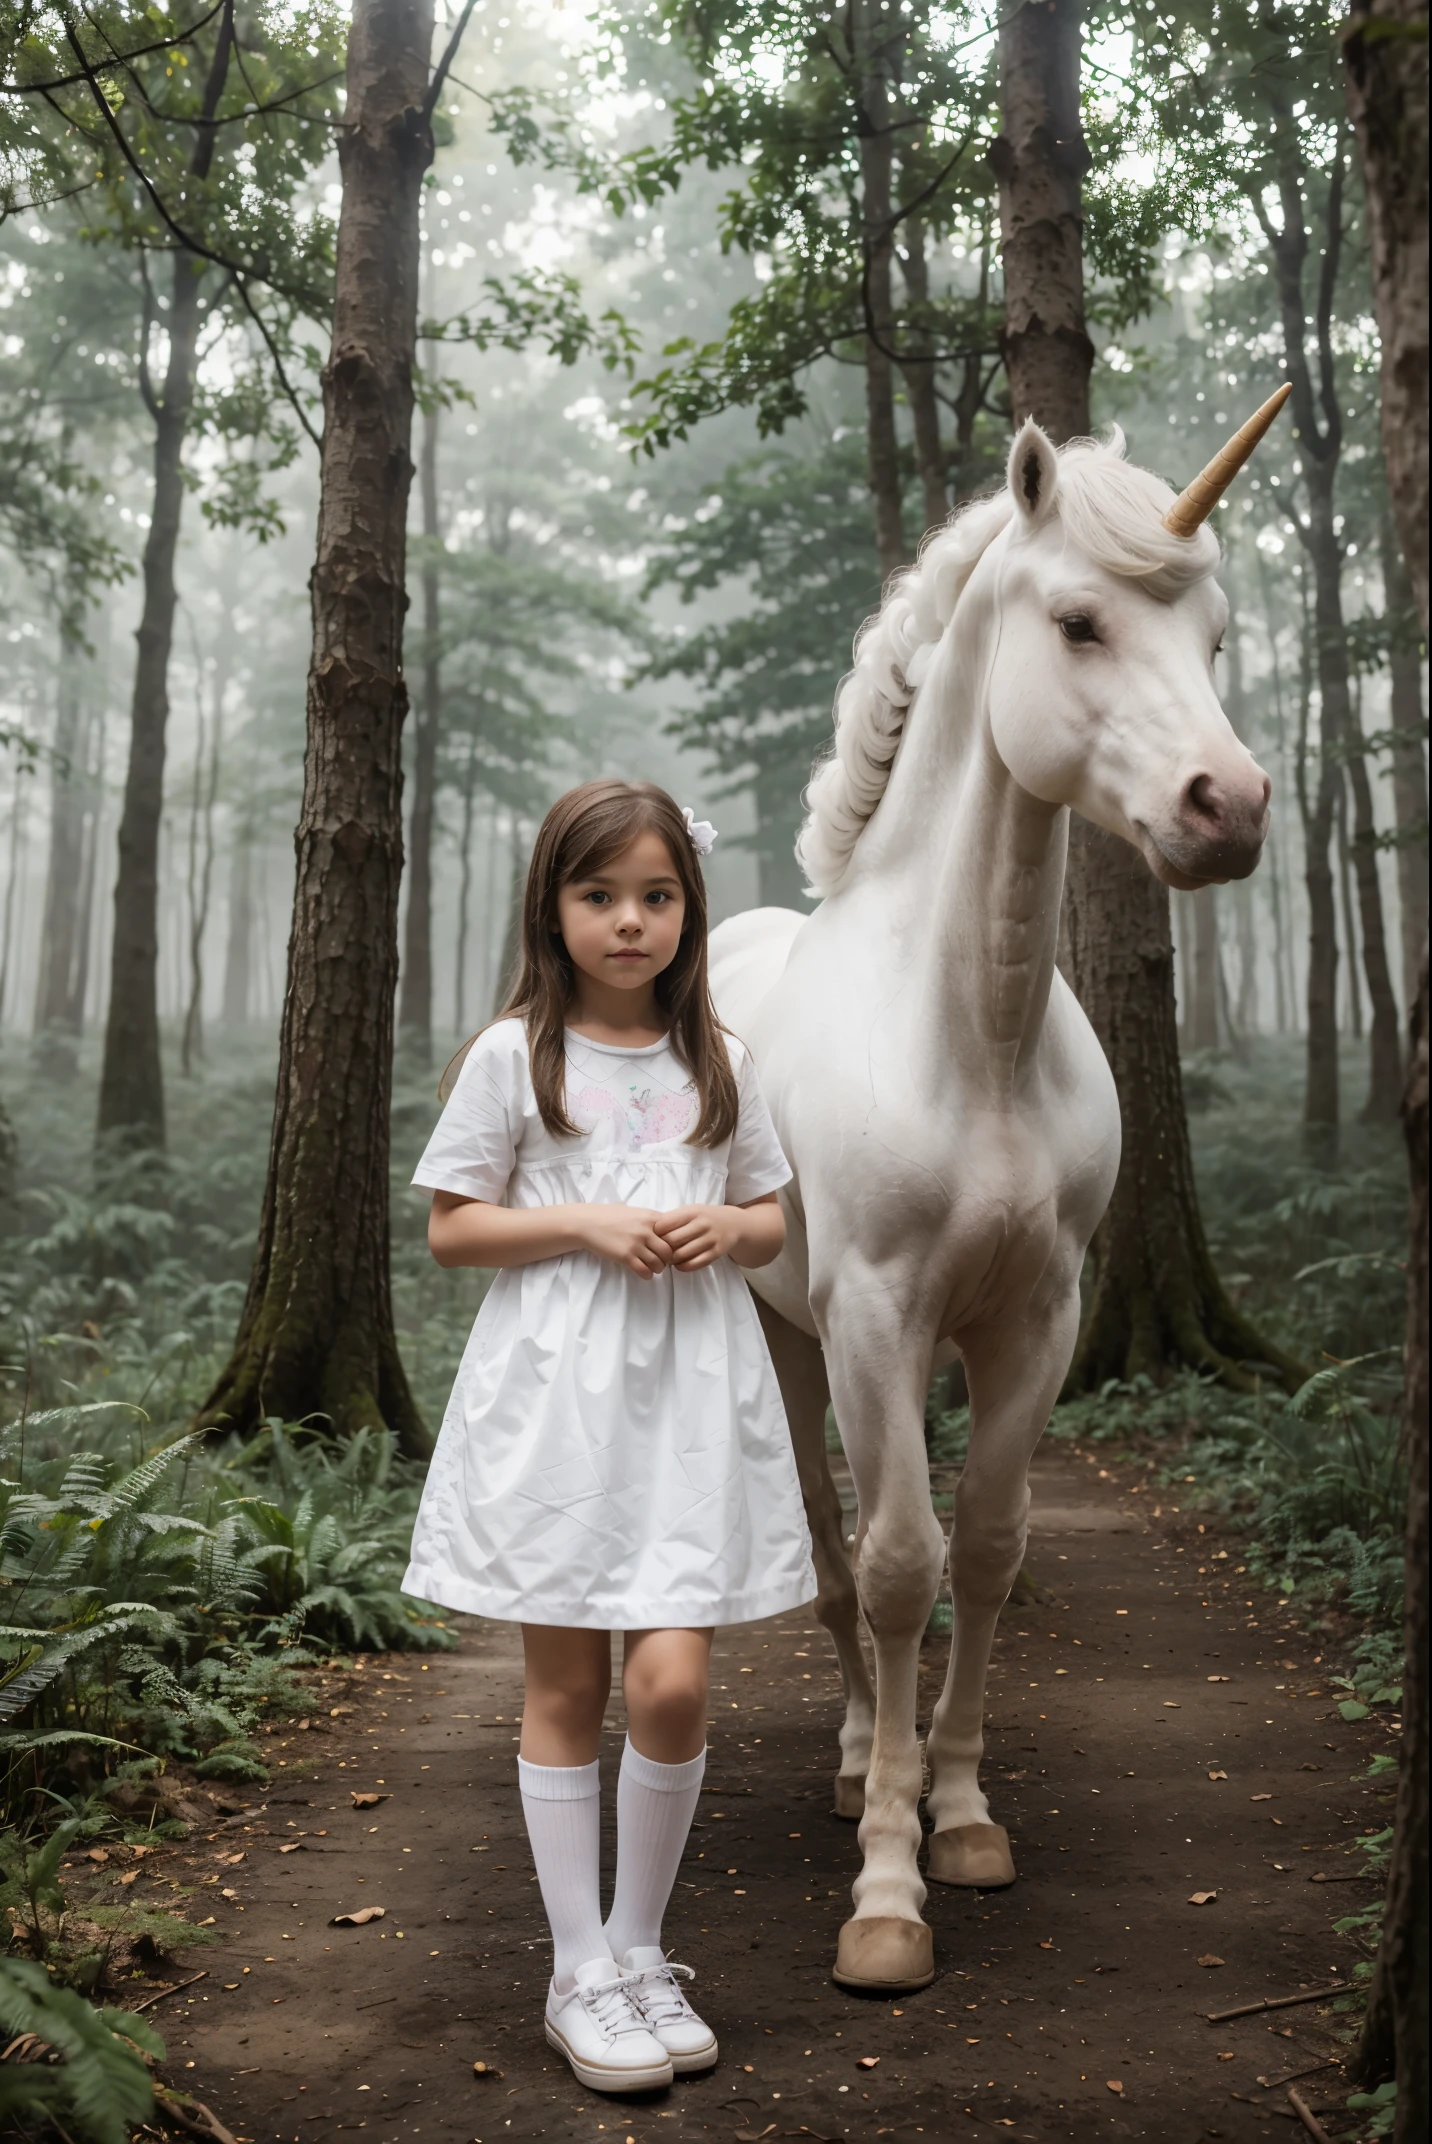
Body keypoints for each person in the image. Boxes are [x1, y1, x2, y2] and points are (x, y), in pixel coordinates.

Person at [403, 778, 816, 2094]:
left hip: (690, 1396)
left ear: (688, 911)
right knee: (569, 1685)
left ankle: (642, 1947)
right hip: (555, 1401)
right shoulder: (513, 1056)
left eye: (655, 896)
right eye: (600, 896)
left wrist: (725, 1233)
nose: (629, 921)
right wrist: (584, 1220)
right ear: (555, 906)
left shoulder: (721, 1059)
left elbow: (770, 1218)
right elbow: (454, 1227)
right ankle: (577, 1968)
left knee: (675, 1682)